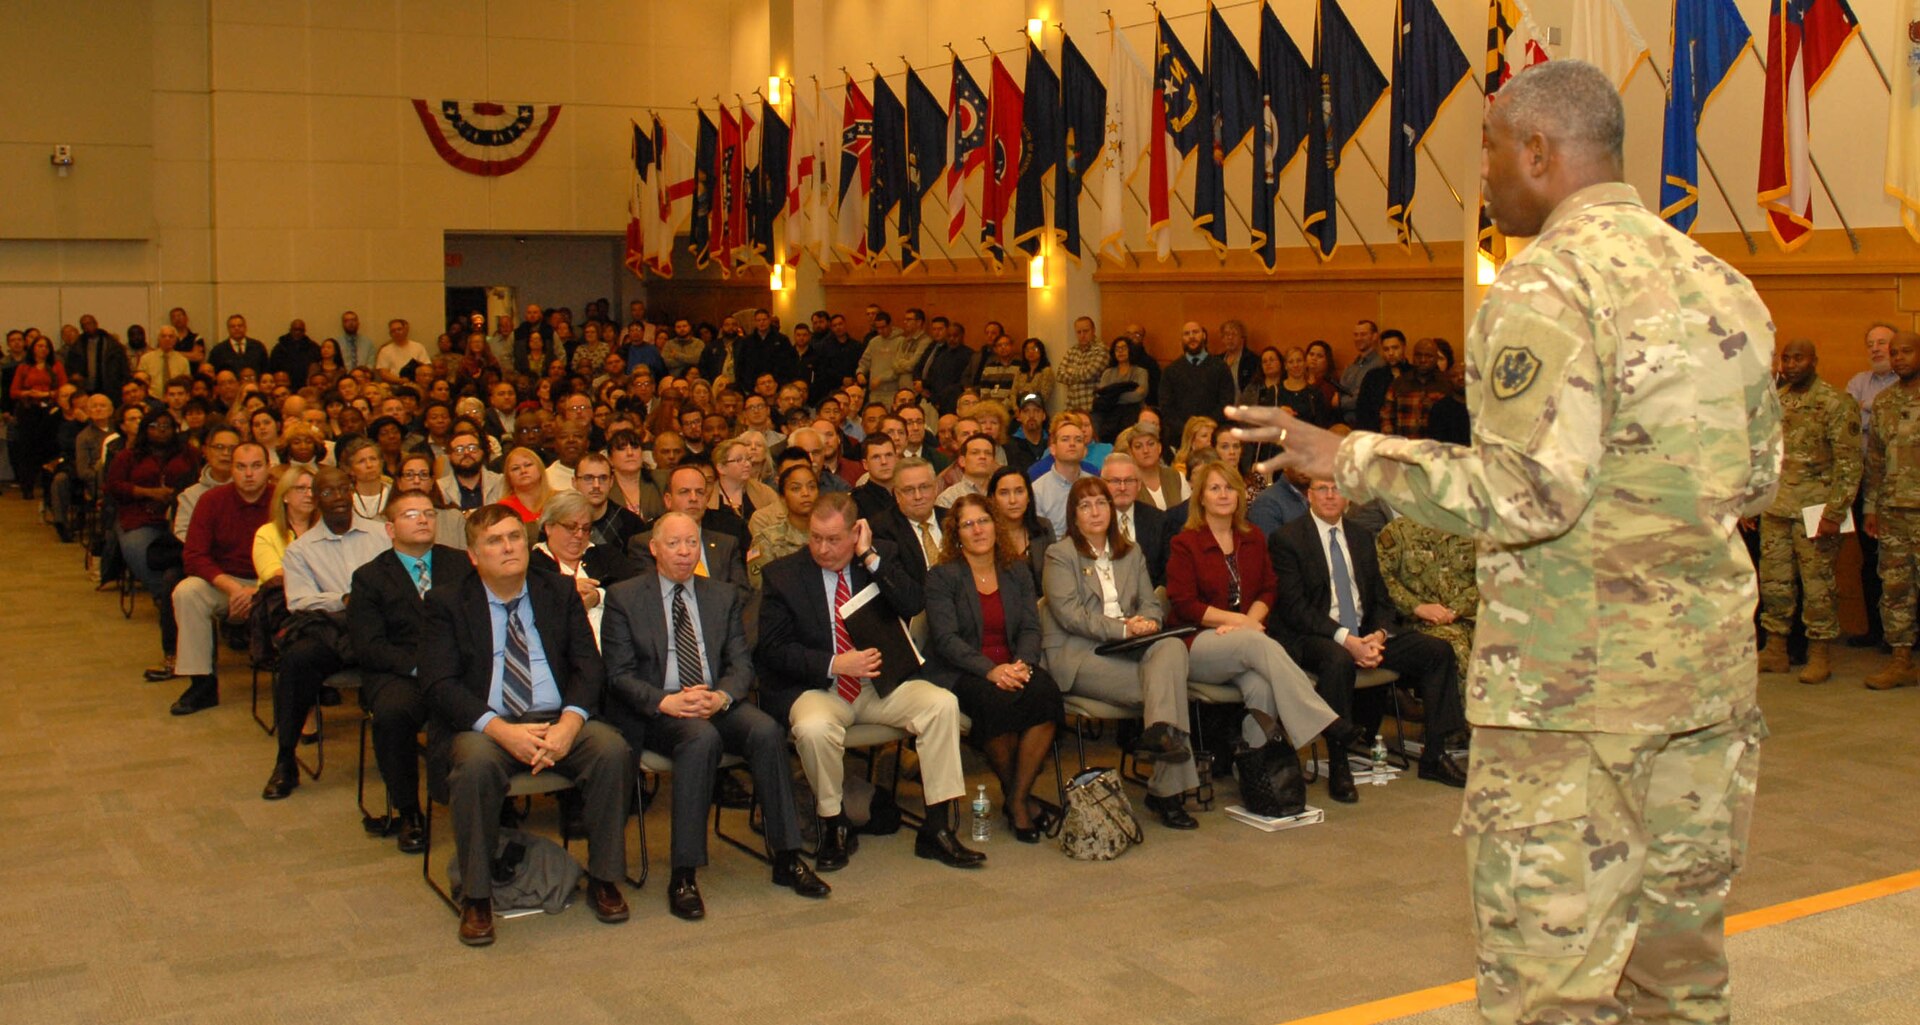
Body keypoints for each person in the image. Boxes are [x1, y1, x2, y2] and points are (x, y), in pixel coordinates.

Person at [1232, 61, 1778, 1024]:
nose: (1478, 173)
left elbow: (1531, 494)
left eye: (1486, 148)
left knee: (1549, 990)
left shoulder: (1545, 284)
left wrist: (1349, 454)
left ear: (1538, 152)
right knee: (1680, 981)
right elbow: (1757, 478)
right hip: (1705, 686)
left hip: (1576, 699)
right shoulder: (1721, 282)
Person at [416, 505, 632, 946]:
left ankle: (606, 877)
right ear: (473, 555)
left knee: (611, 749)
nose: (509, 547)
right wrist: (500, 730)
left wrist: (570, 724)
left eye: (515, 536)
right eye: (494, 541)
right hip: (486, 726)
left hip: (556, 718)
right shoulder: (446, 603)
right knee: (474, 767)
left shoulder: (556, 590)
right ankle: (477, 895)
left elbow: (588, 667)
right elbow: (440, 684)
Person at [599, 512, 830, 919]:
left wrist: (722, 696)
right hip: (658, 708)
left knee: (766, 731)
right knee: (700, 739)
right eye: (674, 544)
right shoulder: (625, 597)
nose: (685, 552)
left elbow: (742, 665)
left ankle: (787, 856)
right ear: (654, 548)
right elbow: (618, 676)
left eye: (692, 542)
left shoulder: (720, 595)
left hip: (712, 700)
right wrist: (665, 702)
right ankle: (684, 873)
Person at [755, 493, 983, 870]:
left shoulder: (880, 557)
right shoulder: (784, 575)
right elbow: (773, 651)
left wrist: (870, 558)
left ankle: (937, 827)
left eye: (833, 539)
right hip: (820, 687)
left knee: (942, 704)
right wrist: (833, 663)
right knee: (812, 729)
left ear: (856, 533)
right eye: (815, 537)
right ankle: (832, 823)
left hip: (880, 684)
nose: (822, 548)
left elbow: (912, 604)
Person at [1263, 478, 1469, 799]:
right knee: (1338, 659)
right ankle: (1340, 762)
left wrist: (1379, 635)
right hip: (1314, 636)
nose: (1331, 495)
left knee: (1437, 650)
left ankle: (1436, 754)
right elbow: (1295, 609)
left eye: (1337, 489)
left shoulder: (1360, 537)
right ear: (1309, 496)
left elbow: (1381, 600)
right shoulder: (1288, 539)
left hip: (1364, 633)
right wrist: (1348, 640)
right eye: (1322, 489)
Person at [1164, 461, 1355, 791]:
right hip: (1198, 642)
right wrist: (1239, 622)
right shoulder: (1186, 543)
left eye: (1229, 488)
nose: (1224, 495)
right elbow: (1184, 603)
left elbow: (1269, 587)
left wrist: (1250, 622)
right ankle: (1327, 721)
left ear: (1239, 495)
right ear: (1201, 498)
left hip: (1246, 642)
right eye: (1214, 488)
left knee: (1261, 686)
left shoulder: (1252, 539)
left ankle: (1255, 770)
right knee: (1256, 645)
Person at [1041, 476, 1200, 829]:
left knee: (1172, 647)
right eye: (1085, 505)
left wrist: (1149, 622)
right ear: (1074, 515)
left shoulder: (1131, 552)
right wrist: (1126, 628)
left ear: (1112, 510)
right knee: (1168, 687)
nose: (1095, 511)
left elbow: (1151, 602)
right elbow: (1070, 616)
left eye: (1101, 503)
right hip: (1081, 654)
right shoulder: (1059, 554)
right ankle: (1168, 794)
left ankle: (1158, 734)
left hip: (1131, 648)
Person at [924, 495, 1064, 843]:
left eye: (983, 521)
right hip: (966, 670)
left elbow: (1031, 627)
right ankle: (1020, 802)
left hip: (1015, 663)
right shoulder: (942, 576)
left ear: (995, 525)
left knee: (1046, 694)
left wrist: (1021, 664)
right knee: (995, 703)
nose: (977, 530)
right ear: (957, 534)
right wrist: (991, 670)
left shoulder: (1016, 570)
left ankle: (1016, 798)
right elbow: (945, 639)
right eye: (968, 524)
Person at [347, 489, 472, 853]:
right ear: (390, 528)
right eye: (411, 514)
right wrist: (419, 667)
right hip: (401, 672)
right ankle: (409, 811)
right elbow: (368, 645)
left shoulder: (461, 564)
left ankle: (496, 802)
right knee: (392, 714)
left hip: (457, 667)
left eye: (429, 514)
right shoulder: (370, 577)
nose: (422, 520)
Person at [261, 467, 392, 800]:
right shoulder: (301, 550)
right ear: (316, 499)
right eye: (328, 493)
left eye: (343, 489)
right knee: (297, 659)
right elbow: (300, 601)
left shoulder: (382, 534)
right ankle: (285, 759)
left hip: (384, 628)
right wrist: (344, 598)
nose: (338, 499)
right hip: (338, 631)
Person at [1756, 339, 1860, 685]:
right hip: (1777, 506)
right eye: (1786, 358)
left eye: (1798, 357)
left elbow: (1849, 462)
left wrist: (1836, 510)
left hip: (1817, 509)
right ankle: (1775, 650)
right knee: (1775, 583)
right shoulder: (1777, 399)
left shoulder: (1834, 402)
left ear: (1814, 361)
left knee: (1819, 587)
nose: (1790, 364)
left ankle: (1819, 653)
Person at [169, 440, 274, 715]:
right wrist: (232, 588)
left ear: (269, 468)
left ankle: (311, 682)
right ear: (232, 469)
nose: (249, 474)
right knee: (187, 591)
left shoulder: (282, 500)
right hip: (224, 581)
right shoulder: (212, 501)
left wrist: (259, 590)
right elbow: (194, 555)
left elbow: (299, 552)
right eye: (241, 467)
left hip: (273, 581)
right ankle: (202, 684)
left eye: (256, 466)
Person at [1865, 330, 1920, 690]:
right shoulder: (1883, 402)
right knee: (1896, 588)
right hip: (1894, 511)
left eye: (1907, 352)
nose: (1899, 358)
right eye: (1894, 352)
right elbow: (1875, 460)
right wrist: (1871, 506)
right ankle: (1901, 661)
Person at [1374, 516, 1479, 683]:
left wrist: (1454, 610)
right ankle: (1461, 710)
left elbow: (1487, 580)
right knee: (1457, 654)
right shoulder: (1398, 531)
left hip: (1469, 618)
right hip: (1420, 625)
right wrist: (1416, 607)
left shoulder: (1472, 530)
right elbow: (1381, 579)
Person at [1845, 322, 1898, 649]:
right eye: (1871, 344)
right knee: (1869, 558)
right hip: (1865, 482)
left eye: (1883, 343)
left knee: (1901, 560)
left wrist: (1870, 411)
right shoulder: (1858, 383)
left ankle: (1905, 635)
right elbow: (1848, 425)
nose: (1876, 349)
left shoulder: (1910, 383)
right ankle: (1876, 631)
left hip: (1902, 484)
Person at [1159, 322, 1237, 446]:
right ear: (1182, 339)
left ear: (1204, 336)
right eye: (1186, 334)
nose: (1191, 336)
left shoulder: (1220, 367)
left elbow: (1226, 401)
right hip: (1181, 438)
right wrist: (1187, 430)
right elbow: (1166, 406)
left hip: (1213, 436)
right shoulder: (1171, 370)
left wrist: (1206, 428)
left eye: (1195, 332)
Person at [869, 458, 946, 582]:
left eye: (924, 487)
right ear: (897, 495)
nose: (918, 496)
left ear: (936, 488)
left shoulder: (953, 519)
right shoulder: (881, 528)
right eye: (909, 490)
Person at [10, 334, 68, 498]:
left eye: (46, 346)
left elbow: (65, 389)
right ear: (33, 348)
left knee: (49, 448)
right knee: (27, 449)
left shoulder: (56, 366)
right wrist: (28, 392)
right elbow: (14, 392)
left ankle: (48, 485)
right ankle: (27, 487)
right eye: (39, 346)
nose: (43, 349)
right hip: (29, 411)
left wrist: (47, 393)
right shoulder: (24, 367)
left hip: (49, 411)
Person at [747, 462, 819, 586]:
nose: (806, 493)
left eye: (812, 487)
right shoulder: (767, 540)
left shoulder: (829, 536)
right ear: (782, 497)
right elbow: (760, 589)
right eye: (796, 488)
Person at [985, 465, 1054, 590]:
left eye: (1019, 491)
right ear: (993, 498)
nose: (1013, 500)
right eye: (1004, 493)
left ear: (1028, 497)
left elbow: (1054, 578)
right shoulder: (984, 533)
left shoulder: (1044, 527)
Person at [252, 465, 317, 585]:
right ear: (285, 495)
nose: (310, 494)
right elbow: (273, 576)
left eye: (313, 489)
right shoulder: (266, 533)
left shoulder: (325, 531)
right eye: (301, 488)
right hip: (281, 598)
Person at [1029, 415, 1090, 531]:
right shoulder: (1037, 490)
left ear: (1085, 451)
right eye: (1065, 439)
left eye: (1078, 440)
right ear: (1052, 449)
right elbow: (1040, 537)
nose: (1072, 444)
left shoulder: (1095, 485)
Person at [436, 425, 503, 510]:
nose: (467, 453)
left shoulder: (500, 482)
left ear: (481, 452)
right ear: (449, 456)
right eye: (459, 450)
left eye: (472, 448)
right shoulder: (439, 488)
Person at [498, 446, 554, 523]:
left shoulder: (558, 500)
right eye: (516, 468)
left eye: (528, 465)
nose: (523, 471)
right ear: (508, 477)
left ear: (540, 468)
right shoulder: (503, 508)